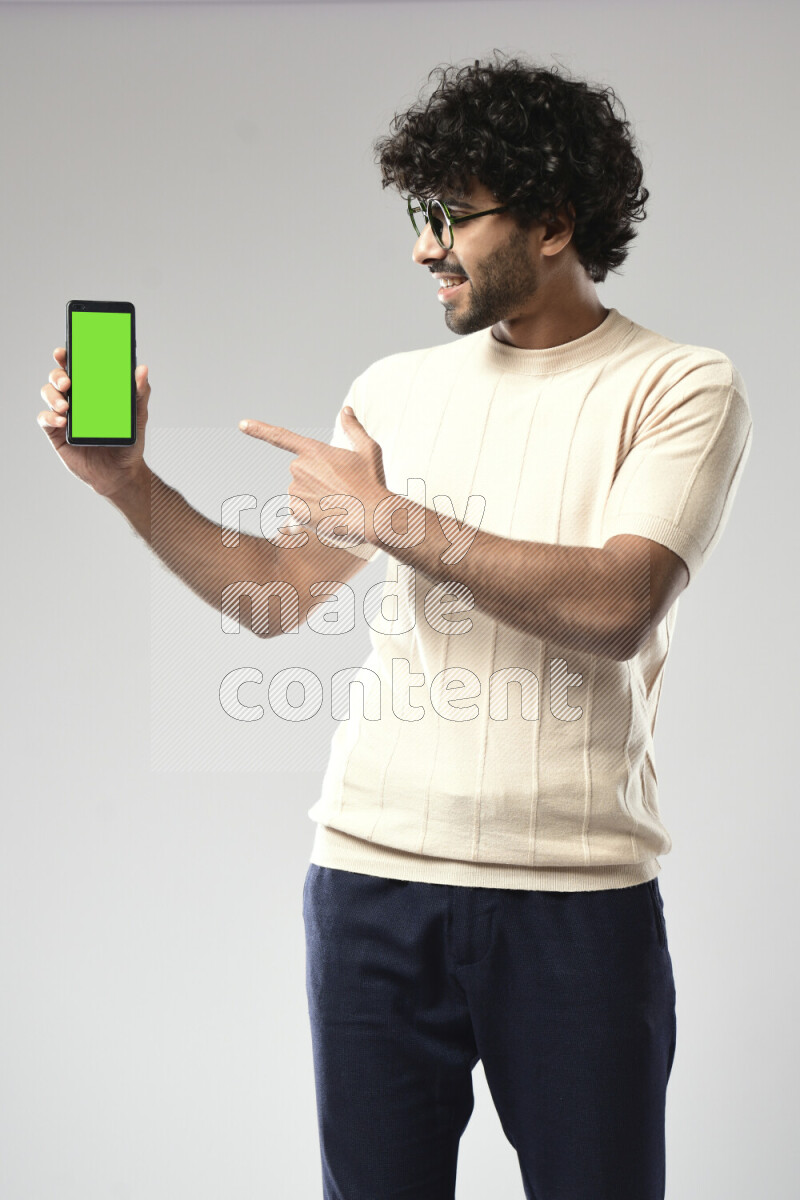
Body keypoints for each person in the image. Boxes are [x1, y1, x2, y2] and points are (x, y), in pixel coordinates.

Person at [38, 52, 753, 1200]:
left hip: (575, 905)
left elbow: (620, 603)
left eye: (448, 218)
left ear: (555, 220)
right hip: (369, 889)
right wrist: (130, 484)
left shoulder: (675, 385)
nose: (423, 246)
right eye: (419, 216)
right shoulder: (395, 390)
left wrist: (389, 515)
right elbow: (270, 591)